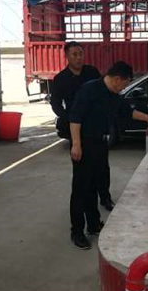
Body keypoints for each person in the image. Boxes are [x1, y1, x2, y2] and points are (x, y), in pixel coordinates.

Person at [68, 61, 148, 250]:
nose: (124, 87)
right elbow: (75, 118)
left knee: (94, 186)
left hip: (101, 144)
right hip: (84, 145)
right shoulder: (89, 90)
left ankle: (93, 224)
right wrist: (76, 144)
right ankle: (77, 232)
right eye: (125, 83)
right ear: (116, 79)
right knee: (81, 190)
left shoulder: (114, 95)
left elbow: (129, 112)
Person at [50, 41, 116, 211]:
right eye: (74, 54)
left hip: (96, 128)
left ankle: (105, 197)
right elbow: (55, 104)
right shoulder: (60, 79)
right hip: (76, 130)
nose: (78, 57)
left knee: (102, 167)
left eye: (80, 54)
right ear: (66, 56)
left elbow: (104, 93)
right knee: (82, 170)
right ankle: (85, 203)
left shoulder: (92, 72)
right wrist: (69, 118)